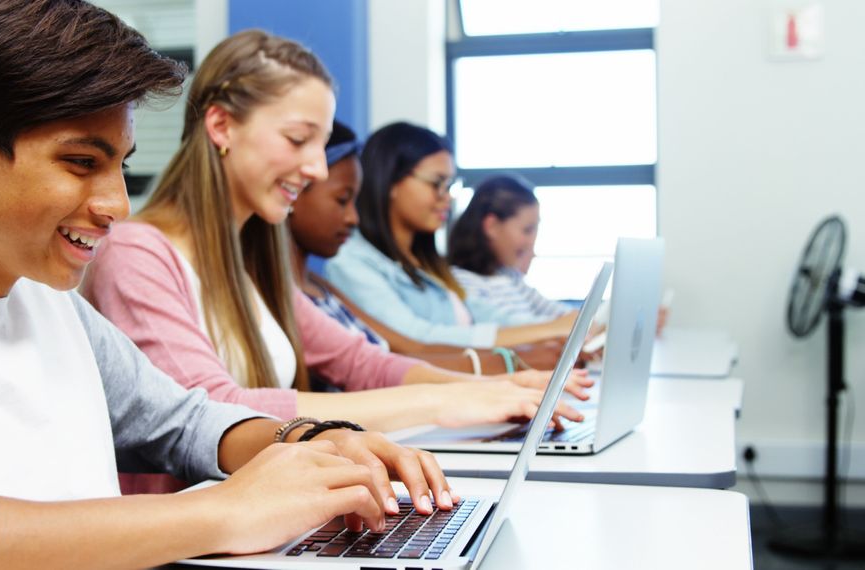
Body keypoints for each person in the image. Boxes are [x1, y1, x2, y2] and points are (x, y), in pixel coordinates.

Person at [0, 3, 464, 567]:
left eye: (120, 166)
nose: (116, 204)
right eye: (82, 162)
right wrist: (214, 515)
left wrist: (307, 442)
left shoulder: (55, 309)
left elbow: (186, 420)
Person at [80, 31, 587, 444]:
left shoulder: (252, 258)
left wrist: (493, 387)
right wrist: (446, 402)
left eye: (320, 145)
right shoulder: (136, 254)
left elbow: (359, 361)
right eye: (299, 140)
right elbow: (214, 410)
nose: (317, 168)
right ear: (221, 125)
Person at [288, 121, 570, 373]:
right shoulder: (349, 265)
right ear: (392, 183)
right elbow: (413, 342)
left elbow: (483, 316)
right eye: (437, 184)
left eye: (449, 185)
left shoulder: (427, 265)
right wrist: (517, 355)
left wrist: (549, 333)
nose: (445, 197)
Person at [447, 174, 578, 325]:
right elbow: (501, 328)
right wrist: (559, 326)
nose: (531, 241)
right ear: (492, 226)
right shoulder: (462, 281)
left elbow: (562, 313)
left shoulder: (511, 277)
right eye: (527, 230)